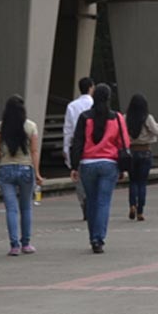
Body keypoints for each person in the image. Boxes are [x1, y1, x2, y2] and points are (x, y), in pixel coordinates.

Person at [69, 83, 128, 254]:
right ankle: (98, 239)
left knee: (92, 201)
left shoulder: (84, 117)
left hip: (87, 164)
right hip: (109, 164)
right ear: (109, 98)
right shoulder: (117, 118)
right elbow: (123, 143)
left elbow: (77, 142)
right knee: (103, 202)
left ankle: (92, 237)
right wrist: (123, 168)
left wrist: (74, 166)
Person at [0, 94, 44, 256]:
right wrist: (37, 172)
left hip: (6, 169)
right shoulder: (31, 126)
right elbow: (34, 151)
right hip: (26, 169)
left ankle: (14, 245)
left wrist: (1, 156)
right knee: (26, 207)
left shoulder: (1, 126)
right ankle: (26, 244)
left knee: (11, 209)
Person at [124, 93, 158, 221]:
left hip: (131, 152)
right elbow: (157, 131)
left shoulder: (126, 118)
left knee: (133, 181)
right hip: (145, 151)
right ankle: (140, 211)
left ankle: (132, 205)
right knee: (142, 183)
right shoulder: (147, 117)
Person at [62, 76, 94, 219]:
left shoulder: (72, 106)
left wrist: (66, 149)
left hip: (77, 144)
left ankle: (84, 202)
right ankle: (93, 201)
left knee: (79, 176)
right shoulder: (95, 104)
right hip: (94, 144)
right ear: (91, 88)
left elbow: (67, 130)